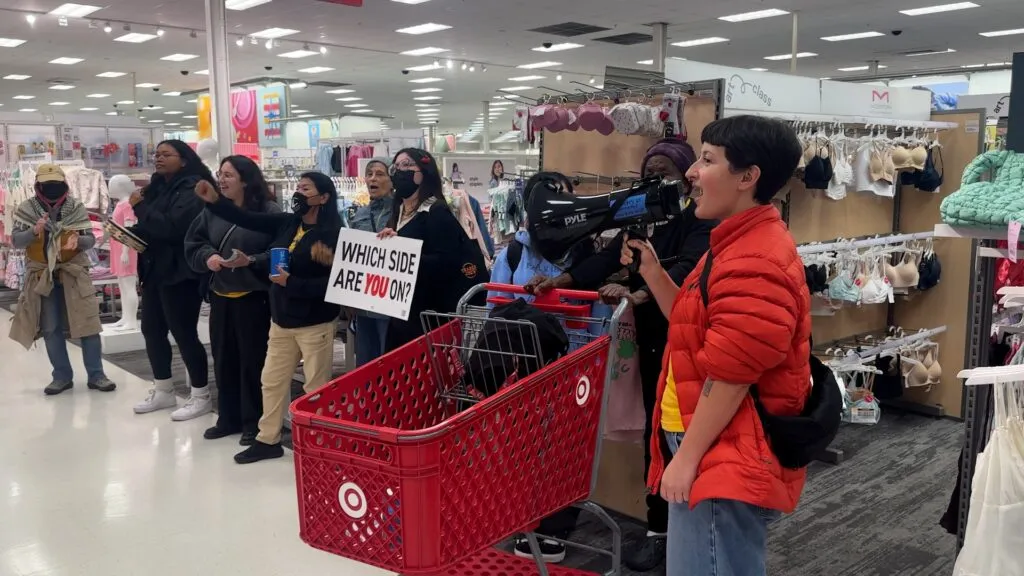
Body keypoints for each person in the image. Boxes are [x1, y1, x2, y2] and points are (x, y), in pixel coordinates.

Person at [624, 115, 811, 575]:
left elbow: (732, 375)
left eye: (707, 160)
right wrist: (652, 271)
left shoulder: (755, 259)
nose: (691, 172)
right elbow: (692, 325)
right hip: (707, 434)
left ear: (748, 178)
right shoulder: (734, 242)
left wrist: (687, 458)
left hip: (720, 445)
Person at [527, 138, 717, 572]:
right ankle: (663, 525)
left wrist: (641, 290)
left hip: (681, 340)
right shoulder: (640, 217)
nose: (659, 176)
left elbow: (689, 268)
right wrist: (562, 280)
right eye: (651, 168)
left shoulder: (699, 221)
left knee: (673, 434)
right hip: (646, 338)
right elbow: (605, 257)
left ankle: (666, 530)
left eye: (668, 169)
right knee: (655, 433)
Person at [194, 171, 342, 464]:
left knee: (316, 389)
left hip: (315, 322)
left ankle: (317, 445)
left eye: (307, 189)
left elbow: (335, 285)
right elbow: (249, 219)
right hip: (281, 319)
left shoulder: (335, 234)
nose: (299, 193)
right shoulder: (288, 222)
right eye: (298, 187)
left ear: (323, 198)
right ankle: (267, 439)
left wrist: (293, 284)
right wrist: (214, 202)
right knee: (272, 381)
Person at [184, 155, 280, 446]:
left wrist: (250, 260)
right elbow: (195, 242)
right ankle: (228, 416)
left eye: (229, 175)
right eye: (220, 174)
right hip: (221, 296)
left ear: (246, 180)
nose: (222, 180)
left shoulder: (269, 210)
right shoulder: (211, 210)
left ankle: (253, 421)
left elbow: (280, 251)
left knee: (253, 361)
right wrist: (207, 257)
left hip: (255, 298)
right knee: (224, 358)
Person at [8, 164, 116, 395]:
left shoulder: (75, 206)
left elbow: (90, 240)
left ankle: (97, 375)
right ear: (38, 185)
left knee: (88, 323)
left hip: (73, 272)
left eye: (55, 183)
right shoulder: (27, 208)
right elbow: (16, 241)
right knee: (50, 327)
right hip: (42, 275)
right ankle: (61, 377)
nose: (52, 188)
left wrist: (78, 240)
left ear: (64, 184)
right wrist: (33, 232)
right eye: (47, 184)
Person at [130, 140, 213, 421]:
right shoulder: (157, 186)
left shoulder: (195, 187)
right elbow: (153, 227)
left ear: (185, 159)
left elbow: (173, 228)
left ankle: (200, 394)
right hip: (155, 269)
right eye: (157, 154)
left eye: (167, 154)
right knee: (151, 329)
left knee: (183, 333)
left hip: (182, 272)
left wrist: (140, 208)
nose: (159, 158)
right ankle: (163, 388)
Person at [377, 148, 479, 351]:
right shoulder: (396, 212)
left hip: (427, 317)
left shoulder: (436, 211)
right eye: (395, 166)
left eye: (407, 165)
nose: (399, 171)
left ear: (424, 172)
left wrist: (405, 252)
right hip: (401, 311)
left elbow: (448, 261)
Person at [348, 158, 393, 366]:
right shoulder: (359, 214)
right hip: (364, 300)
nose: (372, 178)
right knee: (365, 361)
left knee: (389, 358)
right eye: (369, 174)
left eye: (380, 174)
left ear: (392, 180)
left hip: (392, 301)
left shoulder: (402, 212)